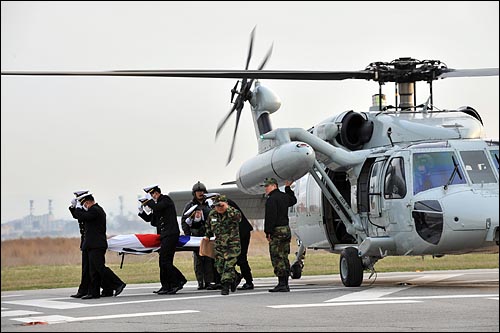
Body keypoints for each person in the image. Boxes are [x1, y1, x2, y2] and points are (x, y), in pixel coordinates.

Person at [69, 192, 126, 299]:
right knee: (92, 270)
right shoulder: (91, 211)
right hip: (91, 244)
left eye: (84, 204)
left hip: (96, 245)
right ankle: (93, 292)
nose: (84, 206)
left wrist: (76, 208)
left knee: (99, 268)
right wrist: (73, 208)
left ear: (88, 202)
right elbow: (80, 217)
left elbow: (82, 216)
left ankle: (118, 283)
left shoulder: (95, 210)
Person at [141, 184, 187, 295]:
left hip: (171, 234)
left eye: (153, 194)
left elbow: (157, 207)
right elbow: (152, 221)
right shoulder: (157, 205)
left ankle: (179, 280)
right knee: (163, 262)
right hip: (164, 235)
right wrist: (142, 211)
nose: (152, 197)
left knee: (165, 260)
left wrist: (149, 203)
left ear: (157, 193)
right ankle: (166, 286)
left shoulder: (166, 200)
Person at [263, 177, 297, 292]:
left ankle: (282, 283)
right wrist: (288, 188)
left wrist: (268, 231)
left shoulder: (271, 199)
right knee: (284, 255)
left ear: (274, 186)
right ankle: (285, 283)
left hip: (276, 231)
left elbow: (270, 217)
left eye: (267, 186)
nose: (265, 189)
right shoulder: (284, 196)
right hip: (286, 230)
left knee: (277, 257)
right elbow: (293, 200)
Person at [180, 181, 215, 290]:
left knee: (209, 259)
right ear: (194, 193)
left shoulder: (209, 205)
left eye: (202, 191)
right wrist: (187, 235)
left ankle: (209, 281)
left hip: (207, 235)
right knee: (198, 260)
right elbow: (184, 221)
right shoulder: (190, 206)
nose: (200, 193)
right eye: (198, 191)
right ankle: (200, 282)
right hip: (195, 236)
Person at [204, 195, 241, 295]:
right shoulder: (212, 214)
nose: (219, 208)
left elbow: (238, 218)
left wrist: (227, 208)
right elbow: (208, 226)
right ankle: (235, 277)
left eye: (221, 206)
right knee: (219, 266)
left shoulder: (233, 212)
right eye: (217, 206)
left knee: (228, 266)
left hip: (232, 244)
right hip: (219, 244)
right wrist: (207, 236)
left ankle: (225, 286)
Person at [227, 198, 254, 290]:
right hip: (238, 234)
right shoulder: (226, 204)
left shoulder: (226, 206)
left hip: (241, 234)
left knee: (241, 258)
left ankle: (248, 281)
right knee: (236, 258)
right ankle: (238, 277)